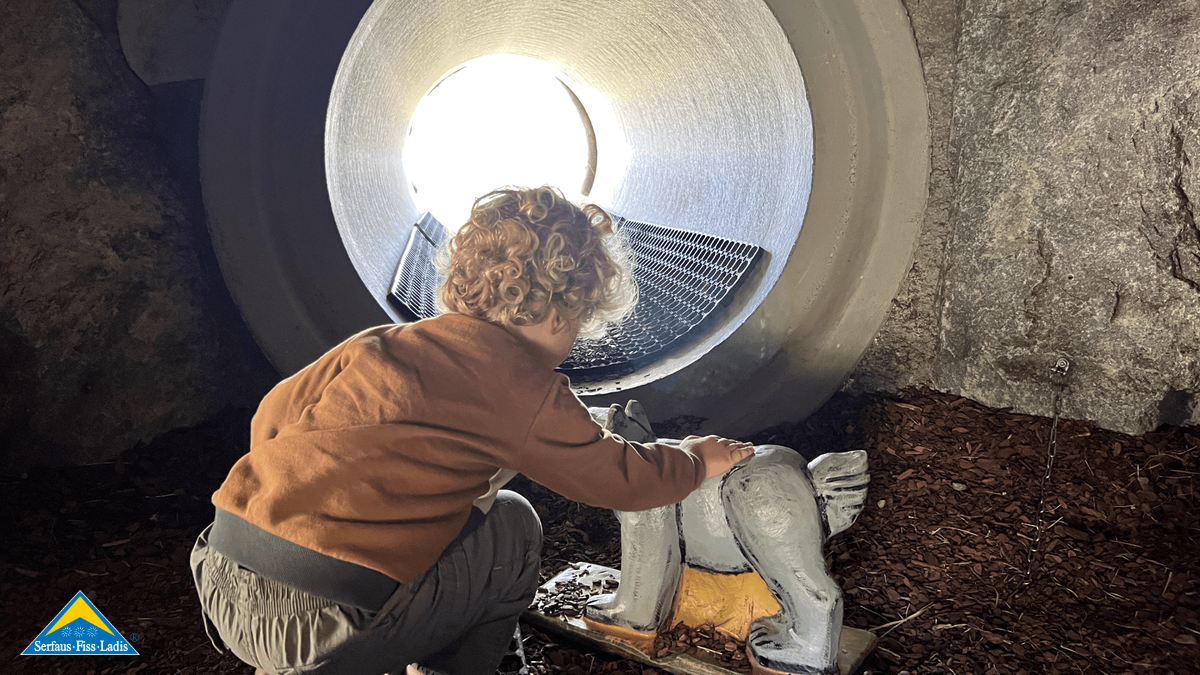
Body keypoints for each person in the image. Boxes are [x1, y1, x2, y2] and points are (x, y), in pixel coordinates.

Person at [189, 186, 755, 675]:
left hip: (220, 573)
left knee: (466, 509)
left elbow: (271, 417)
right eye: (579, 325)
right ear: (563, 314)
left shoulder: (376, 345)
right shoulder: (523, 386)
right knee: (511, 525)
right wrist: (695, 462)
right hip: (321, 625)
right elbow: (617, 478)